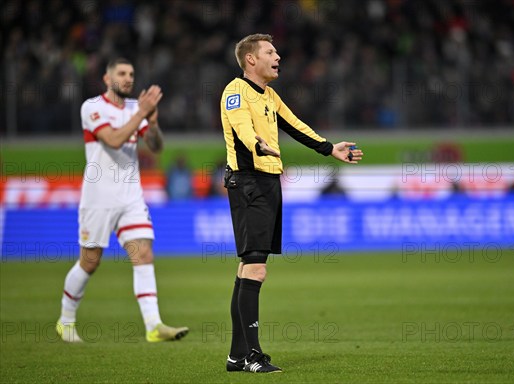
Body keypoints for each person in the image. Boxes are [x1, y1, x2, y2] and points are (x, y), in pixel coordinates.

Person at [220, 34, 363, 373]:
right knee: (255, 268)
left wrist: (329, 148)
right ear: (251, 60)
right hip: (249, 182)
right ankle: (253, 356)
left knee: (246, 271)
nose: (278, 56)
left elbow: (295, 125)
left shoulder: (269, 95)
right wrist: (257, 145)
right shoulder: (235, 91)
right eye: (270, 52)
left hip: (268, 183)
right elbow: (241, 128)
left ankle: (237, 356)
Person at [56, 58, 189, 343]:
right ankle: (66, 320)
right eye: (122, 73)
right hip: (98, 198)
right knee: (90, 262)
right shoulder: (92, 107)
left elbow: (155, 147)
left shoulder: (133, 109)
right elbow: (114, 140)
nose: (128, 78)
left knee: (143, 253)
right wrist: (140, 112)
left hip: (131, 197)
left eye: (131, 73)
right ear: (107, 78)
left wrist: (151, 123)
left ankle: (154, 325)